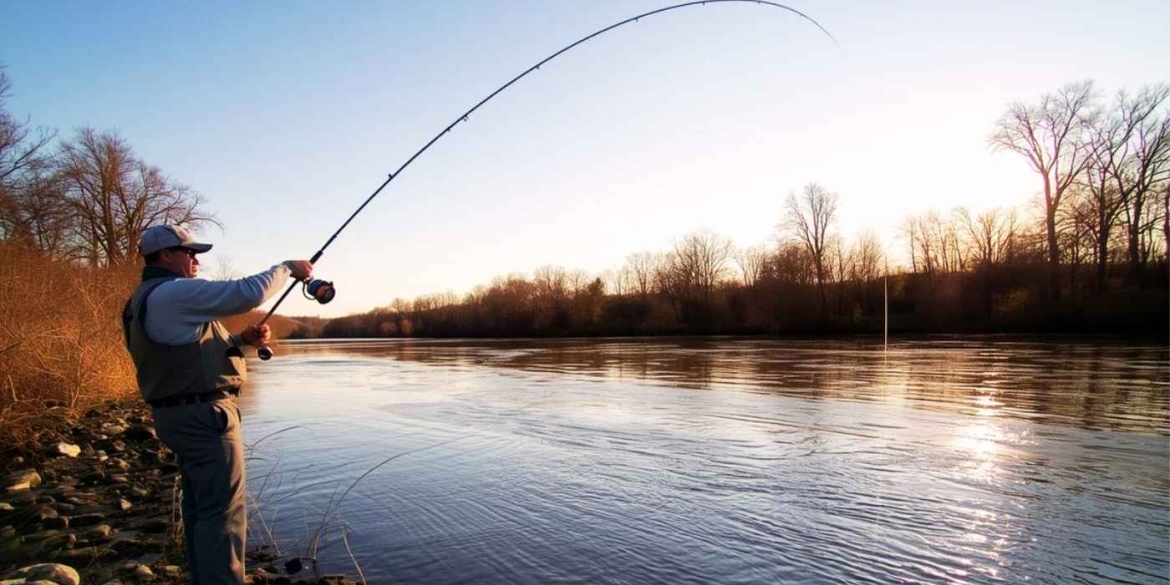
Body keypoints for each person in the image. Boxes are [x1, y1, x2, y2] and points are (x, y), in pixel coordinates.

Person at [121, 224, 312, 585]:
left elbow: (183, 353)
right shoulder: (172, 293)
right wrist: (287, 267)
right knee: (224, 516)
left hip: (177, 415)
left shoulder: (143, 299)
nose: (195, 260)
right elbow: (247, 293)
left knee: (201, 510)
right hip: (204, 418)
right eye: (189, 252)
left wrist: (241, 340)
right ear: (164, 256)